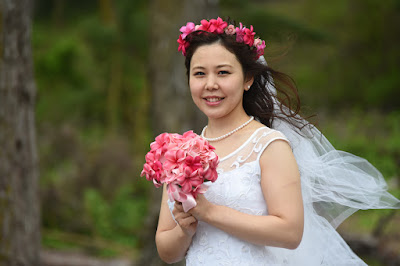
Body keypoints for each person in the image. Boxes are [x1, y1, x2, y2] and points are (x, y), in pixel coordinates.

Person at [155, 17, 400, 265]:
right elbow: (167, 251)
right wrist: (184, 230)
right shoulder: (180, 153)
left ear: (247, 78)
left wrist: (210, 212)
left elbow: (290, 233)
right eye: (199, 74)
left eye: (223, 72)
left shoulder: (269, 145)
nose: (210, 84)